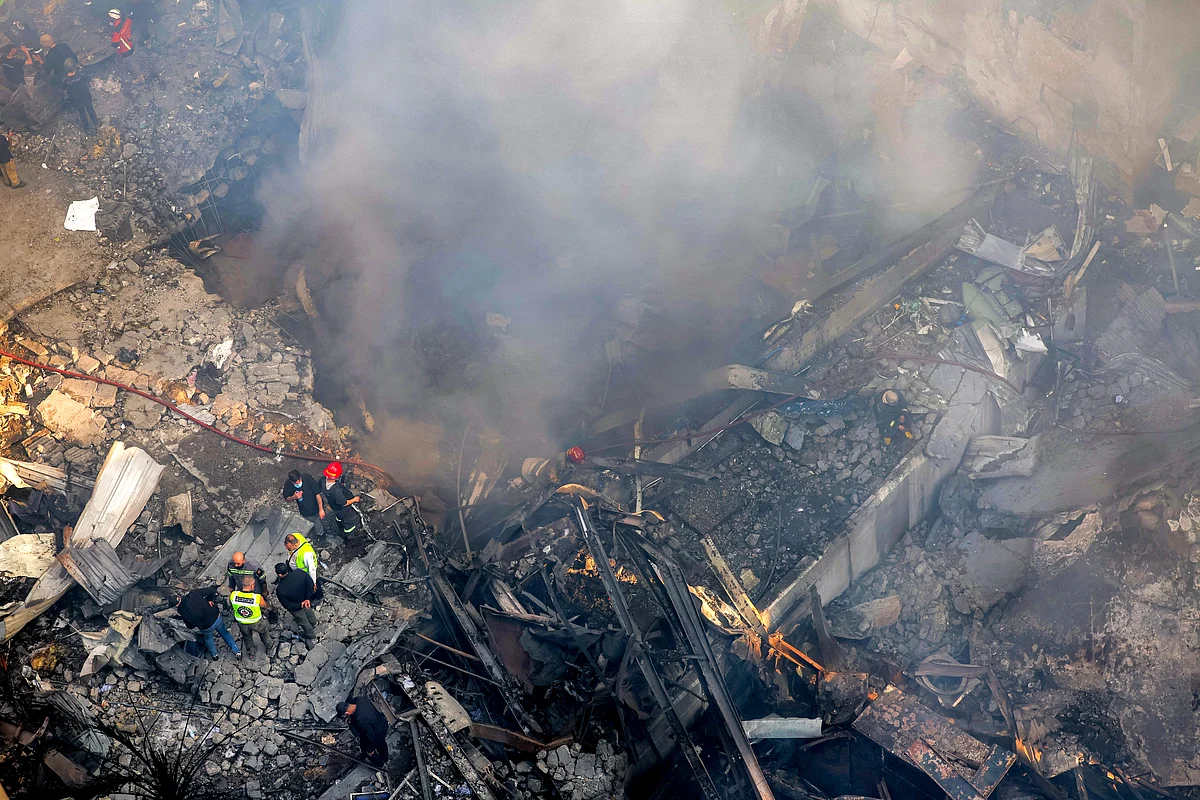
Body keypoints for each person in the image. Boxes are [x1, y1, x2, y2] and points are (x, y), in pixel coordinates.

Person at [175, 586, 240, 658]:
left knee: (208, 639)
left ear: (176, 605)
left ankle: (214, 655)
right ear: (179, 597)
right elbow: (211, 589)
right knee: (225, 633)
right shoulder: (193, 594)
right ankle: (236, 651)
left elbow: (190, 626)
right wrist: (210, 599)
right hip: (216, 617)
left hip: (206, 626)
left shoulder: (181, 610)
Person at [336, 697, 389, 767]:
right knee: (382, 744)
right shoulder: (360, 700)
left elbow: (370, 735)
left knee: (370, 749)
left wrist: (370, 749)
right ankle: (385, 758)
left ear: (347, 713)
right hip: (381, 722)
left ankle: (380, 764)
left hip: (376, 733)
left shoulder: (361, 721)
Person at [229, 576, 273, 660]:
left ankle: (251, 653)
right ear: (252, 585)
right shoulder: (256, 597)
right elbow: (265, 606)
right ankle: (270, 647)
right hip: (256, 621)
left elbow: (232, 606)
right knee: (264, 633)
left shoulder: (233, 595)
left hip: (242, 622)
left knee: (247, 637)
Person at [274, 562, 318, 642]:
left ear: (279, 574)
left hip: (296, 607)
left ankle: (310, 634)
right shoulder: (300, 573)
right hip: (306, 600)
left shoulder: (280, 589)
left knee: (302, 620)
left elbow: (287, 605)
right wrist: (307, 599)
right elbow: (310, 585)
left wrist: (300, 604)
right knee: (308, 610)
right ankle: (313, 622)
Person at [321, 461, 362, 541]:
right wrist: (354, 499)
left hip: (335, 507)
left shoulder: (322, 481)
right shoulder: (336, 491)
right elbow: (344, 503)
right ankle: (350, 539)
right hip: (343, 510)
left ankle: (340, 526)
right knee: (350, 523)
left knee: (339, 518)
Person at [63, 60, 98, 133]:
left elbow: (63, 87)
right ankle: (96, 123)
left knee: (82, 113)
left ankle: (87, 128)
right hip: (85, 95)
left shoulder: (65, 79)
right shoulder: (81, 74)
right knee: (90, 109)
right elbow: (88, 79)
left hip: (76, 99)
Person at [108, 9, 142, 82]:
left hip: (124, 48)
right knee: (127, 59)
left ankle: (140, 77)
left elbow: (115, 43)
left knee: (130, 61)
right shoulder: (125, 19)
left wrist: (111, 42)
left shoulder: (117, 29)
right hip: (129, 41)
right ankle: (120, 60)